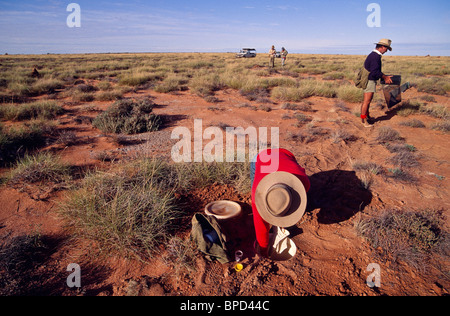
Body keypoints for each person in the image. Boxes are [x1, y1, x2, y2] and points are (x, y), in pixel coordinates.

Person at [250, 148, 310, 257]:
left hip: (285, 155)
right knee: (253, 182)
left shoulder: (304, 182)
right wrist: (263, 250)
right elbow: (260, 226)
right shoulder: (256, 194)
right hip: (261, 158)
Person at [361, 39, 393, 127]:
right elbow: (374, 72)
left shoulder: (374, 55)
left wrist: (384, 76)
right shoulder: (375, 56)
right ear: (383, 47)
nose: (386, 51)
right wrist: (385, 77)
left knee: (367, 101)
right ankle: (364, 121)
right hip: (369, 81)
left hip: (369, 80)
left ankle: (366, 117)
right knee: (366, 101)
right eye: (386, 49)